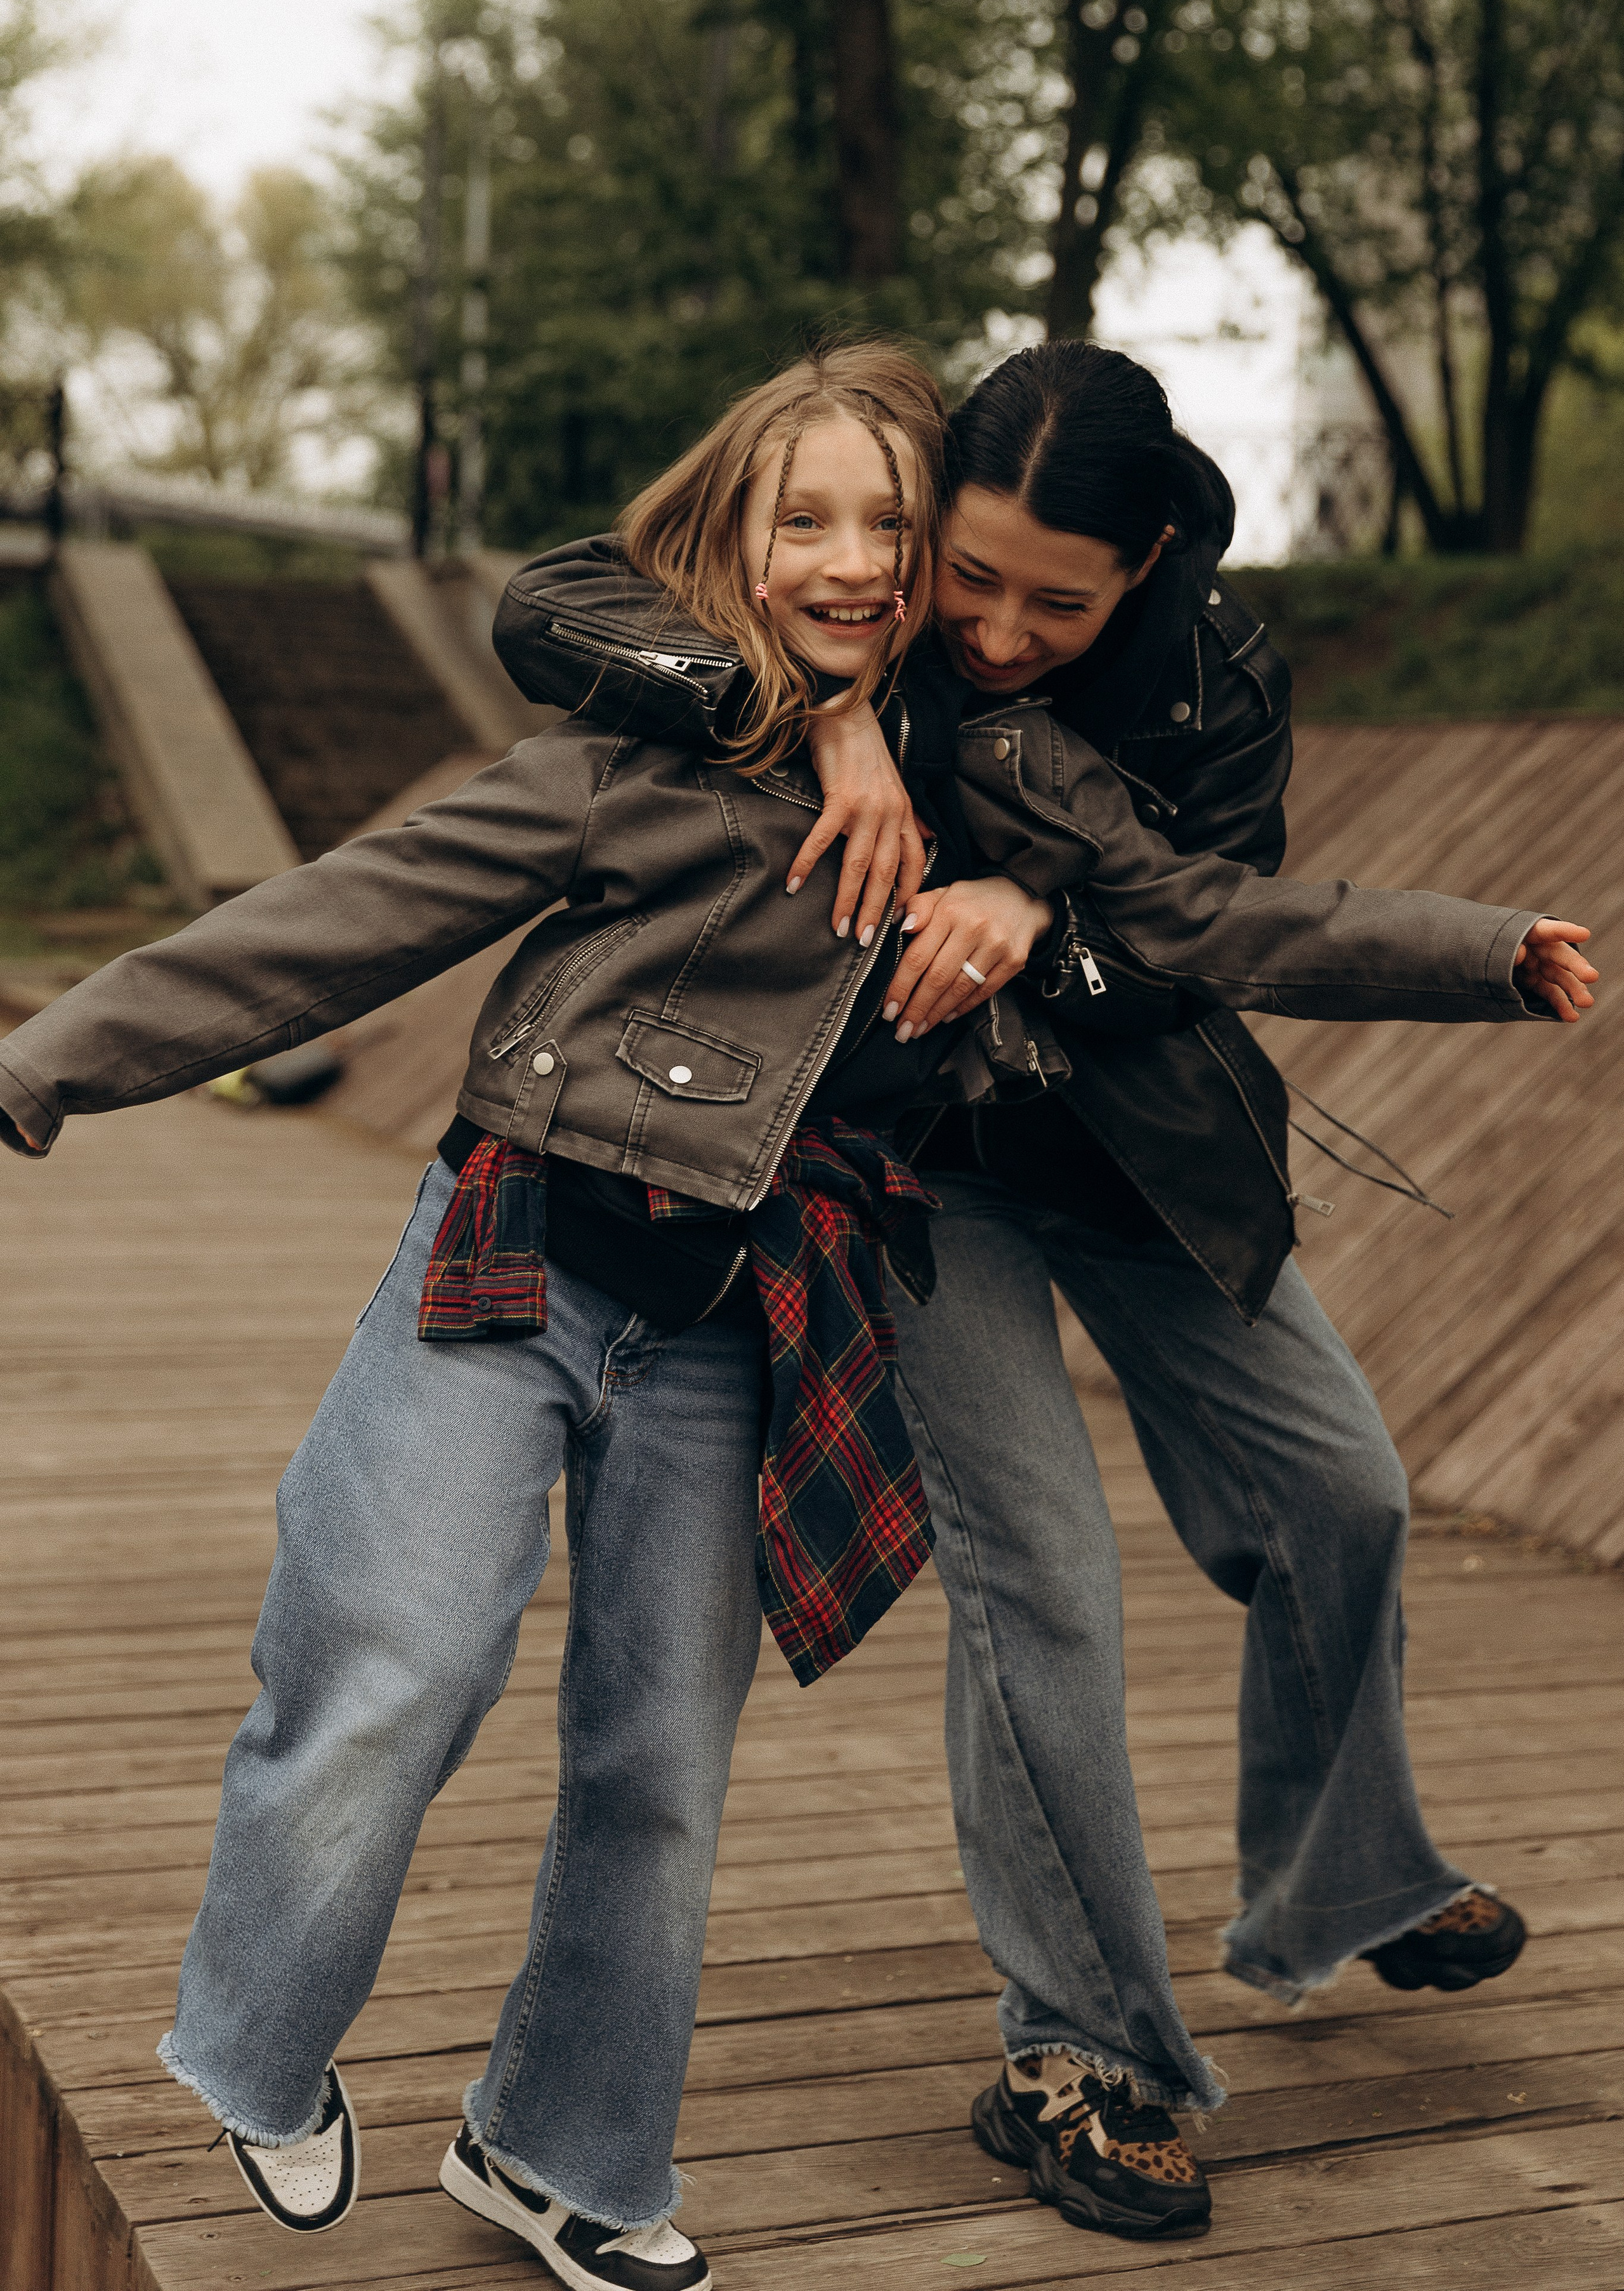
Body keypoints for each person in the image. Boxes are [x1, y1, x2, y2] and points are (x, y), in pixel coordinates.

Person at [0, 343, 1592, 2281]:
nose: (945, 605)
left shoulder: (1095, 730)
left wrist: (1466, 951)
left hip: (899, 1243)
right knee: (449, 1644)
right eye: (905, 557)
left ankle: (571, 2151)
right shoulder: (664, 747)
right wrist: (44, 1065)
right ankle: (286, 2051)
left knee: (690, 1754)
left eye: (906, 542)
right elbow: (356, 892)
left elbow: (1214, 913)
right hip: (653, 1229)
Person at [505, 338, 1600, 2250]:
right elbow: (557, 601)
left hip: (1140, 1152)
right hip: (917, 1171)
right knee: (1045, 1582)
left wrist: (1040, 918)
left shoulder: (1218, 672)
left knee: (1343, 1491)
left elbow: (1215, 921)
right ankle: (1078, 2054)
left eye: (1057, 604)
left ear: (1146, 562)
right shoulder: (865, 586)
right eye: (972, 580)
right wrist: (827, 715)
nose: (999, 634)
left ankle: (1348, 1877)